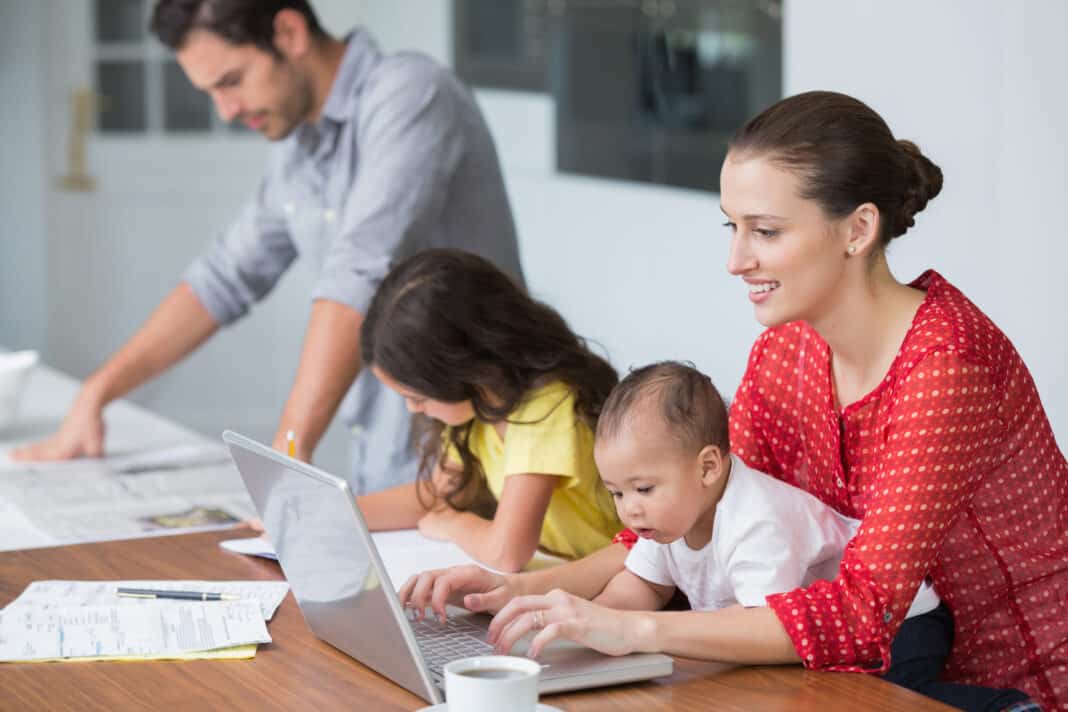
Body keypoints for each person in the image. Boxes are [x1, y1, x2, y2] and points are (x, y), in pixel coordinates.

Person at [398, 92, 1068, 711]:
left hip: (1009, 681)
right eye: (732, 227)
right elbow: (690, 508)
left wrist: (627, 627)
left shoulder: (947, 368)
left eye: (765, 232)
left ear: (857, 229)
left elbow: (861, 610)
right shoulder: (787, 349)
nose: (735, 259)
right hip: (859, 677)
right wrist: (531, 590)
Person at [11, 0, 523, 495]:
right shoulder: (297, 149)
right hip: (389, 460)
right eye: (210, 92)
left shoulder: (411, 94)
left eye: (231, 81)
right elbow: (223, 279)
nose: (226, 110)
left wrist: (285, 463)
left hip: (483, 463)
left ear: (289, 33)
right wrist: (97, 393)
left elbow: (359, 275)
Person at [353, 249, 622, 572]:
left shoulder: (546, 407)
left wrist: (455, 524)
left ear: (464, 369)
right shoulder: (479, 407)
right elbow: (437, 496)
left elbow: (505, 552)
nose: (413, 408)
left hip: (622, 587)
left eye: (419, 396)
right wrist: (331, 514)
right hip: (558, 576)